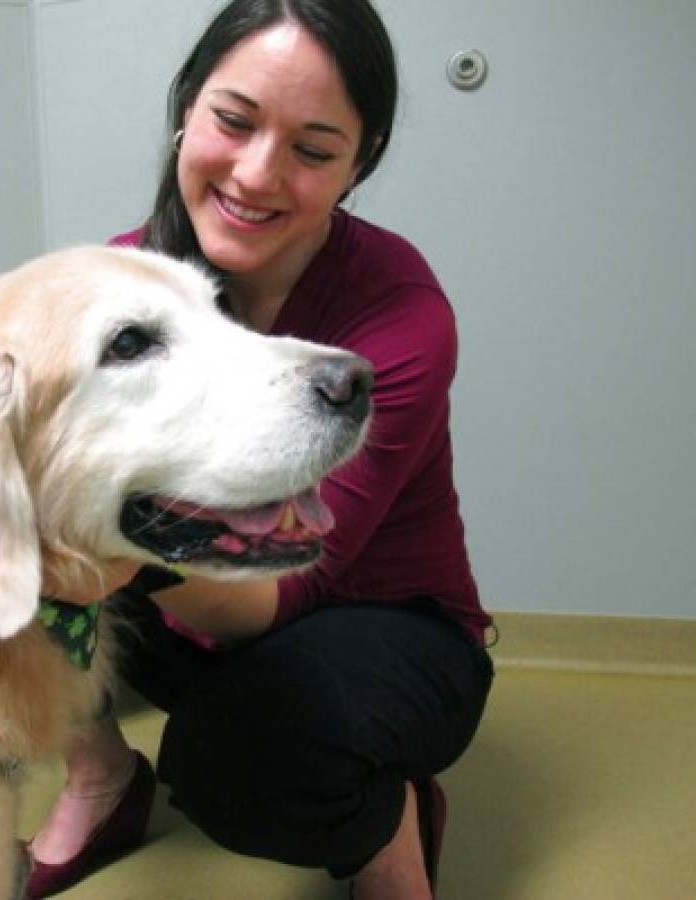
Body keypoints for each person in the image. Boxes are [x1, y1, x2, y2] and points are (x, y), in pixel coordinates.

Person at [26, 2, 495, 898]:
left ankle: (389, 834)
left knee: (231, 766)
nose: (254, 173)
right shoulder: (124, 281)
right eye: (232, 122)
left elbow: (292, 587)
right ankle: (99, 774)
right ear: (185, 113)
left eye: (312, 151)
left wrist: (110, 553)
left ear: (358, 165)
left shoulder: (398, 315)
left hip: (368, 618)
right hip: (184, 599)